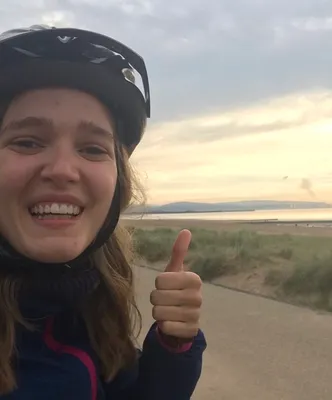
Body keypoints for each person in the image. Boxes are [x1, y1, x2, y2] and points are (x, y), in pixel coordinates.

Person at [0, 25, 207, 399]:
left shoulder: (90, 300)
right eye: (27, 142)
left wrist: (173, 345)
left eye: (93, 149)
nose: (63, 169)